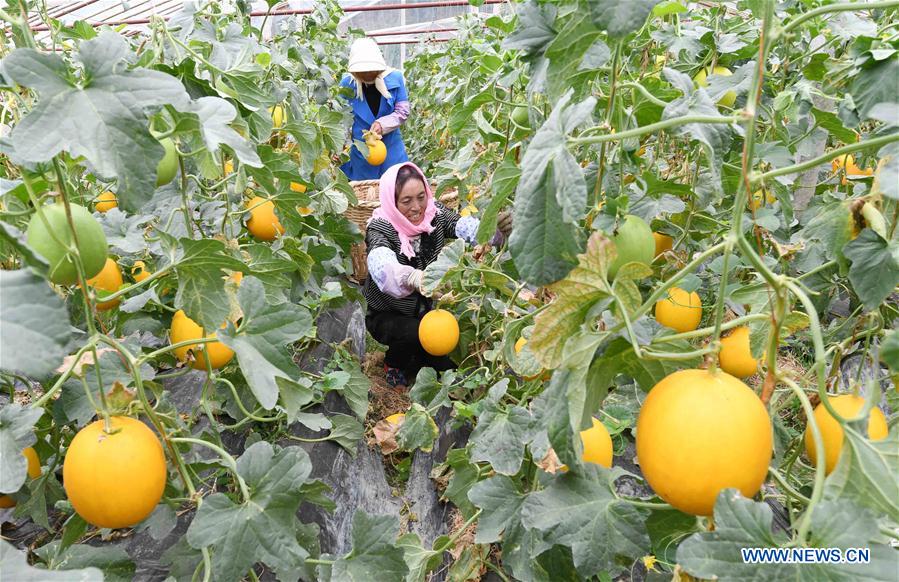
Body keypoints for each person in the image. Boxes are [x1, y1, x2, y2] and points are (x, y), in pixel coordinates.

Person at [364, 162, 513, 390]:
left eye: (421, 197)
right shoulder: (380, 228)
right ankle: (393, 363)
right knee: (413, 335)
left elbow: (465, 227)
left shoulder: (434, 214)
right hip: (387, 315)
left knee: (443, 362)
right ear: (392, 202)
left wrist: (496, 232)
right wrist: (413, 278)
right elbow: (380, 264)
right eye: (406, 201)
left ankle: (421, 360)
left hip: (428, 311)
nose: (417, 207)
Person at [339, 38, 411, 181]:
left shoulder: (395, 78)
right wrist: (341, 146)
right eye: (362, 71)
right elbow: (342, 119)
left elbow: (403, 112)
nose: (367, 74)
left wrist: (382, 124)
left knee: (396, 189)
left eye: (370, 70)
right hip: (361, 153)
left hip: (391, 148)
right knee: (365, 195)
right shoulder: (347, 84)